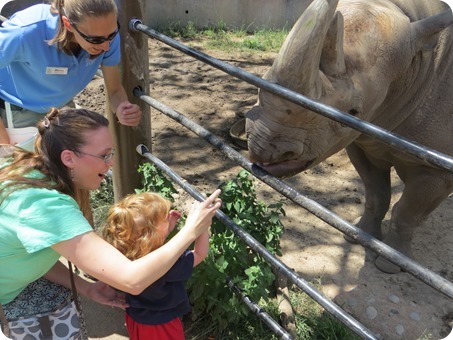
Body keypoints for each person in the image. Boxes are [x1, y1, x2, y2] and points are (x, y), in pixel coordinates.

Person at [0, 107, 221, 338]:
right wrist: (191, 230)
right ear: (68, 158)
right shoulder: (45, 207)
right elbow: (132, 279)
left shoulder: (29, 162)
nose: (112, 162)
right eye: (104, 155)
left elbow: (29, 253)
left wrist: (86, 287)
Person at [0, 0, 142, 145]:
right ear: (68, 24)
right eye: (95, 39)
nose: (106, 46)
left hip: (61, 108)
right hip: (17, 114)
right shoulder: (25, 30)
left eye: (112, 35)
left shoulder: (104, 34)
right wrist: (3, 142)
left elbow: (115, 90)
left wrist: (122, 108)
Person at [100, 192, 210, 340]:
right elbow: (199, 254)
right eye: (164, 219)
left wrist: (167, 229)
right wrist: (201, 226)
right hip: (161, 326)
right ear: (151, 235)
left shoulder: (124, 253)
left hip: (136, 319)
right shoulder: (167, 264)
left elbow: (153, 244)